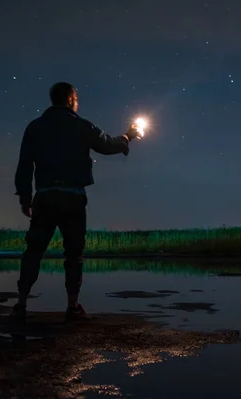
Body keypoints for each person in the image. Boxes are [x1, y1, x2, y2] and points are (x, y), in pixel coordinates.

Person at [11, 81, 143, 323]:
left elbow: (24, 165)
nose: (78, 103)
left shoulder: (35, 127)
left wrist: (24, 197)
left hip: (45, 197)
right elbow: (107, 144)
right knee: (74, 254)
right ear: (71, 100)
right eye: (77, 99)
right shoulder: (81, 126)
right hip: (73, 198)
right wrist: (128, 136)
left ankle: (20, 304)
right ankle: (72, 307)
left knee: (34, 250)